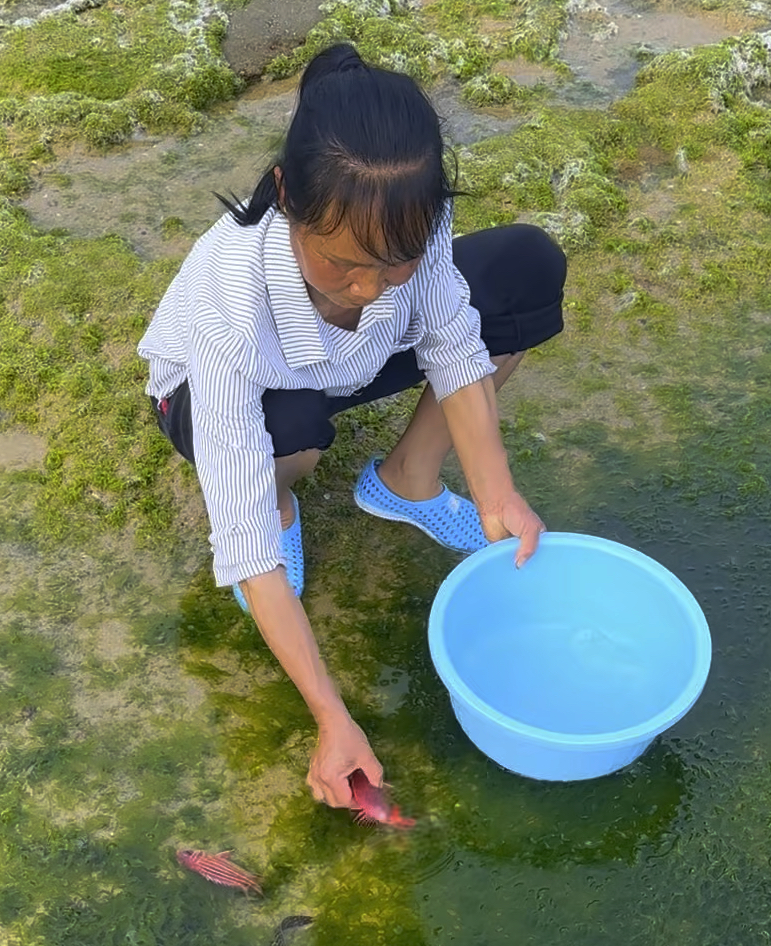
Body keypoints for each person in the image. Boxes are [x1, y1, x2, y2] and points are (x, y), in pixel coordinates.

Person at [139, 42, 566, 808]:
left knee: (525, 269)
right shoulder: (229, 299)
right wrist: (330, 716)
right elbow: (238, 542)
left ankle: (405, 481)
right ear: (285, 196)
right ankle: (285, 499)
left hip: (351, 363)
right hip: (219, 395)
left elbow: (451, 340)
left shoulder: (411, 227)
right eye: (341, 264)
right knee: (292, 426)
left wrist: (497, 491)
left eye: (393, 262)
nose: (369, 287)